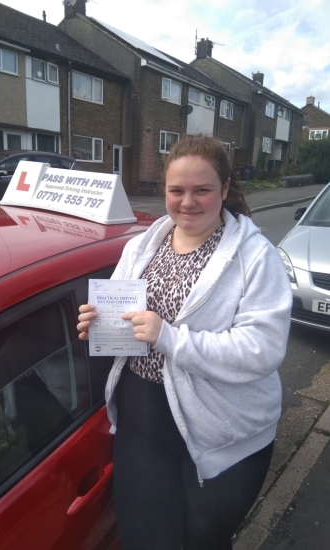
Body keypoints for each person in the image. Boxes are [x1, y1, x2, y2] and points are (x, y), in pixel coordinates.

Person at [77, 136, 292, 550]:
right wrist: (96, 321)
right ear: (165, 192)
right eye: (176, 191)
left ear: (225, 189)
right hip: (143, 418)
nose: (187, 202)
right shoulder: (142, 245)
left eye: (202, 190)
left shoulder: (256, 256)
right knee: (145, 537)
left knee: (204, 541)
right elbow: (121, 316)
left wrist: (169, 337)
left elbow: (263, 349)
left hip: (222, 428)